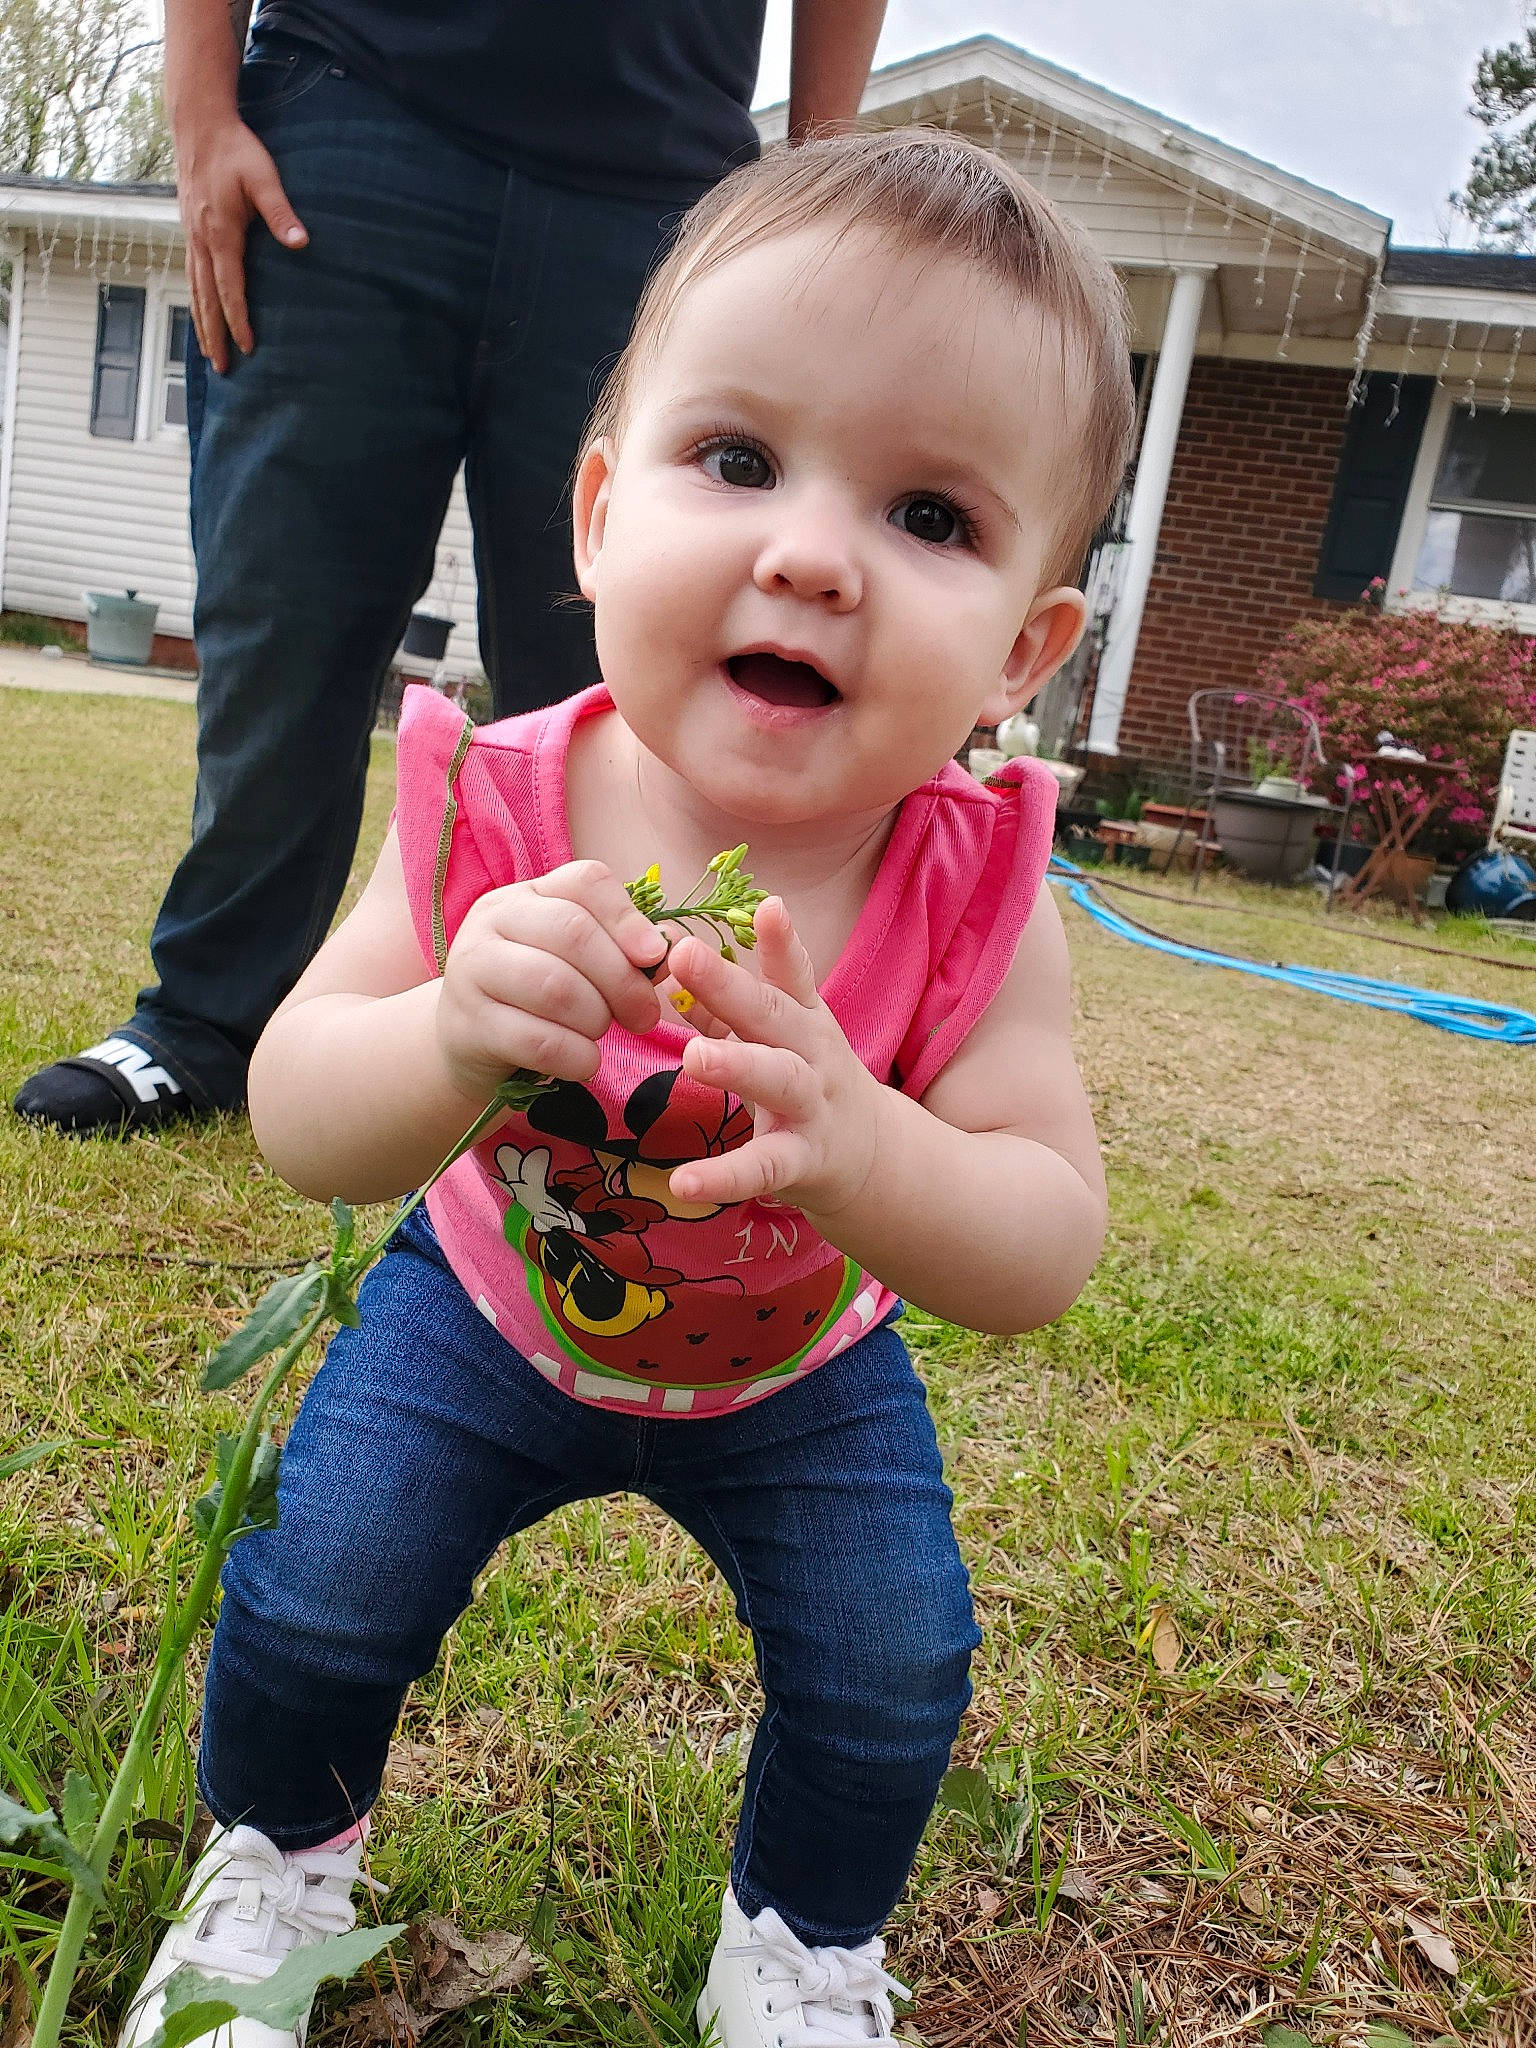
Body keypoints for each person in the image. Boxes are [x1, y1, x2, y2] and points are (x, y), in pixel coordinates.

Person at [118, 130, 1135, 2048]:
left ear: (1021, 647)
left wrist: (865, 1140)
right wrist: (443, 1032)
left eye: (929, 512)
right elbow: (293, 1112)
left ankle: (804, 1942)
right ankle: (275, 1853)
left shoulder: (973, 887)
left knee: (890, 1661)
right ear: (595, 516)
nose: (811, 553)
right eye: (738, 461)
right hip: (486, 1305)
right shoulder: (482, 800)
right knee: (322, 1586)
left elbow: (1044, 1235)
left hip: (798, 1369)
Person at [12, 0, 886, 1139]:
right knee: (285, 622)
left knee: (630, 669)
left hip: (660, 174)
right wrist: (200, 105)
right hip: (346, 103)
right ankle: (207, 1021)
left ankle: (629, 1056)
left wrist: (814, 189)